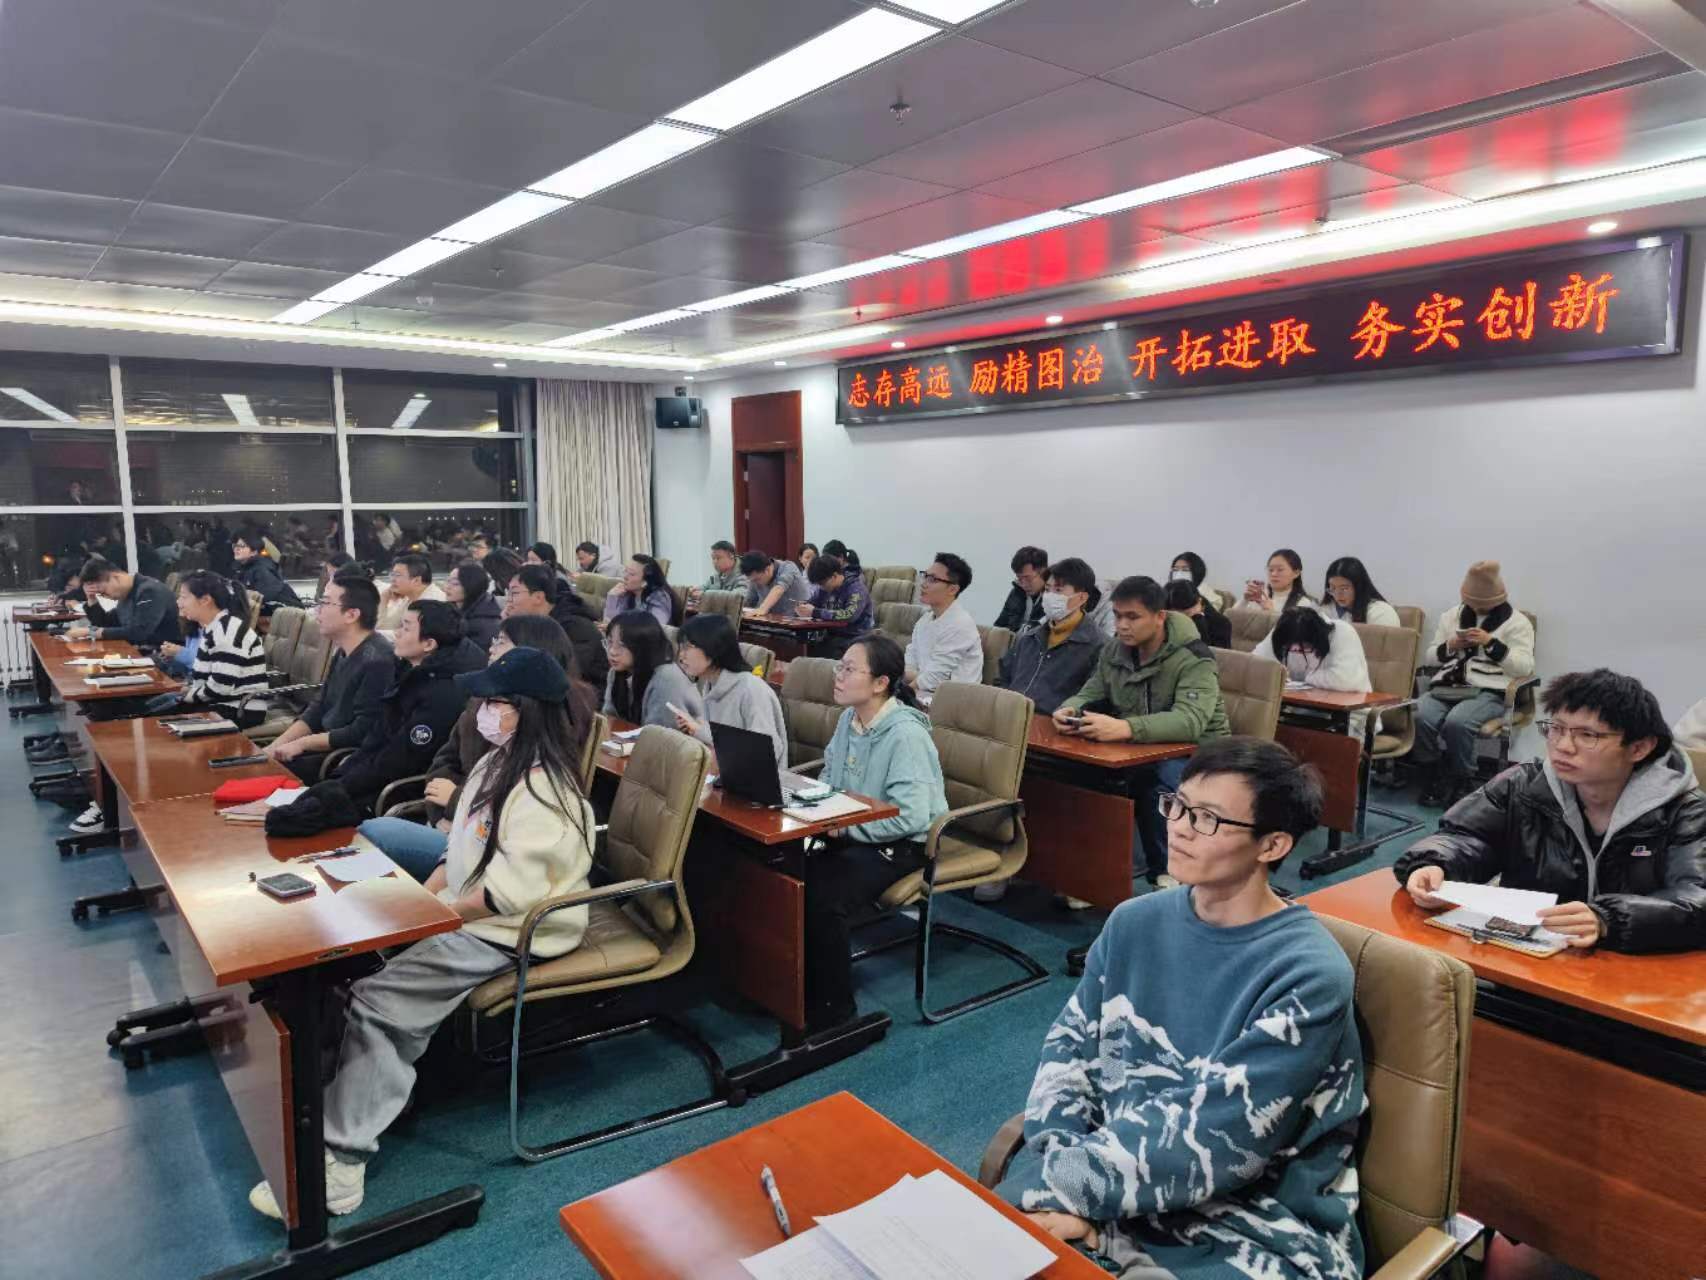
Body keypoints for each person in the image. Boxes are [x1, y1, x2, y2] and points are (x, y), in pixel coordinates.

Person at [247, 646, 596, 1222]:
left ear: (527, 710)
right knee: (357, 956)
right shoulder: (495, 765)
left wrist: (433, 917)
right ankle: (339, 1092)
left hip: (517, 931)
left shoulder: (544, 793)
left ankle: (341, 1162)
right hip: (476, 911)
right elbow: (459, 856)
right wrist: (420, 904)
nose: (481, 712)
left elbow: (504, 895)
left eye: (494, 703)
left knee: (382, 1000)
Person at [997, 737, 1365, 1280]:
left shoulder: (1309, 973)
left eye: (1208, 819)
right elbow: (1069, 1054)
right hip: (1108, 1183)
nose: (1180, 828)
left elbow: (1221, 1141)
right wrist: (1061, 1171)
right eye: (1177, 805)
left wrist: (1055, 1190)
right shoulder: (1134, 921)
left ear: (1272, 845)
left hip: (1246, 1222)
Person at [1396, 669, 1706, 953]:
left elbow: (1696, 897)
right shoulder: (1524, 784)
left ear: (1639, 748)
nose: (1563, 746)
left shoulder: (1685, 811)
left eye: (1587, 735)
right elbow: (1466, 837)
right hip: (1530, 961)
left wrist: (1608, 919)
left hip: (1633, 969)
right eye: (1556, 728)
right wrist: (1435, 863)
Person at [361, 615, 596, 874]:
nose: (491, 648)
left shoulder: (551, 721)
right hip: (458, 825)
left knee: (376, 834)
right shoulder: (485, 705)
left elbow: (512, 806)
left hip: (491, 842)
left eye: (502, 642)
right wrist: (446, 816)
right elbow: (445, 760)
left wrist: (456, 801)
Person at [802, 634, 949, 1029]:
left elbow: (911, 818)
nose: (838, 675)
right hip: (854, 831)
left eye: (850, 669)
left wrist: (846, 829)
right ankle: (791, 985)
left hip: (904, 845)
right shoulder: (849, 720)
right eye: (840, 666)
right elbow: (830, 777)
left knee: (823, 895)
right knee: (786, 874)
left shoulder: (905, 735)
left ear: (881, 683)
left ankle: (835, 1012)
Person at [1055, 576, 1230, 885]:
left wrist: (1125, 727)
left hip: (1199, 754)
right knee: (1074, 774)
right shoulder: (1115, 649)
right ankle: (1092, 873)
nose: (1122, 625)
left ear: (1159, 616)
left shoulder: (1195, 658)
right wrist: (1070, 709)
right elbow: (1092, 690)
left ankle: (1167, 872)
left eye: (1133, 617)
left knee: (1156, 783)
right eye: (1118, 615)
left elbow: (1189, 722)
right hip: (1137, 747)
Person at [327, 599, 484, 815]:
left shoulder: (443, 694)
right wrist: (343, 775)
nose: (397, 633)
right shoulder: (406, 670)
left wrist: (343, 785)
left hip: (394, 792)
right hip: (370, 775)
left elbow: (400, 760)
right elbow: (378, 736)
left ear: (429, 644)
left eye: (406, 628)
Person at [1412, 560, 1536, 807]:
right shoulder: (1452, 616)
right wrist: (1450, 646)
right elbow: (1430, 658)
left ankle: (1463, 779)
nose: (1478, 609)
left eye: (1484, 605)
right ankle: (1433, 773)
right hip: (1448, 686)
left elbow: (1524, 667)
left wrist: (1491, 643)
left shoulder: (1518, 623)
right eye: (1472, 603)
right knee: (1418, 714)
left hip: (1490, 690)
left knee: (1458, 723)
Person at [263, 577, 395, 785]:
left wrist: (303, 743)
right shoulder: (343, 651)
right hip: (323, 744)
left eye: (325, 603)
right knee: (260, 762)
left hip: (342, 758)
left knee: (264, 777)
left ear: (352, 615)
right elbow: (319, 707)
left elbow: (362, 731)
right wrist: (275, 746)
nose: (317, 610)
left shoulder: (378, 661)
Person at [672, 613, 788, 771]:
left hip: (753, 780)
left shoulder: (751, 689)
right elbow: (721, 741)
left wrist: (700, 731)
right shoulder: (710, 684)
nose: (681, 656)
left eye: (687, 647)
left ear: (712, 648)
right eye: (680, 647)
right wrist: (695, 728)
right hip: (722, 772)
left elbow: (764, 752)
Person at [995, 557, 1103, 716]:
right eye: (1047, 589)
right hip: (1010, 718)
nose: (1050, 596)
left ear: (1081, 598)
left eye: (1058, 590)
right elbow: (1003, 677)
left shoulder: (1099, 646)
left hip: (1054, 725)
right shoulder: (1029, 637)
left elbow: (1094, 701)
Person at [504, 563, 607, 688]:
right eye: (508, 593)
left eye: (514, 593)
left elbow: (560, 673)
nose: (508, 600)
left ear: (538, 597)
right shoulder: (535, 623)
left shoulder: (574, 627)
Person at [904, 553, 983, 705]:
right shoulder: (925, 620)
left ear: (952, 589)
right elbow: (910, 658)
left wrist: (902, 694)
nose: (924, 584)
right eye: (925, 576)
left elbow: (935, 677)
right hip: (924, 693)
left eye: (932, 579)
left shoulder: (960, 624)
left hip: (953, 703)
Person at [604, 610, 703, 730]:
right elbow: (610, 718)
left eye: (622, 645)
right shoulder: (617, 672)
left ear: (643, 646)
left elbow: (659, 734)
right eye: (610, 642)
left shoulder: (666, 679)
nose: (612, 651)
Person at [66, 556, 178, 648]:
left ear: (115, 577)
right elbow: (107, 624)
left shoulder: (149, 591)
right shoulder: (127, 594)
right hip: (140, 651)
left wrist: (91, 632)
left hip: (161, 654)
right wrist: (92, 599)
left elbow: (139, 632)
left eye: (104, 592)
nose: (106, 597)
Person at [797, 553, 872, 658]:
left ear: (834, 576)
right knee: (804, 645)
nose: (821, 587)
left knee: (827, 651)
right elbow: (812, 603)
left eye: (822, 583)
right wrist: (803, 607)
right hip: (832, 635)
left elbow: (849, 615)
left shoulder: (856, 588)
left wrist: (815, 612)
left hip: (854, 637)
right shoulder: (824, 589)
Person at [232, 529, 303, 615]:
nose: (236, 549)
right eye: (235, 545)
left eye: (242, 546)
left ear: (254, 552)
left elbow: (264, 598)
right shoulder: (242, 569)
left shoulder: (261, 569)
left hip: (288, 613)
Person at [1320, 556, 1401, 628]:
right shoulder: (1326, 609)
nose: (1337, 595)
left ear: (1359, 587)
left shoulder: (1381, 612)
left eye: (1344, 589)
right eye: (1333, 588)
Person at [375, 553, 445, 632]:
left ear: (416, 580)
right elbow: (384, 628)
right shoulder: (410, 596)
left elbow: (411, 636)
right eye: (392, 574)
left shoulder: (433, 603)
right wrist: (384, 598)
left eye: (397, 575)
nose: (392, 579)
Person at [600, 554, 674, 628]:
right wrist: (612, 597)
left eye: (631, 574)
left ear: (645, 582)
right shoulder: (625, 593)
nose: (625, 576)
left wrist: (616, 628)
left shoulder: (659, 598)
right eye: (625, 571)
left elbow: (653, 629)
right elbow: (609, 623)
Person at [1236, 547, 1313, 614]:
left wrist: (1272, 613)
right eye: (1270, 570)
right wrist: (1245, 599)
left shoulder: (1303, 603)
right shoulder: (1259, 596)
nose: (1273, 574)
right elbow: (1231, 621)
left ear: (1296, 573)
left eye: (1280, 570)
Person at [740, 549, 813, 617]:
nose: (754, 583)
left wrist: (762, 608)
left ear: (767, 570)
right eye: (752, 581)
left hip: (799, 621)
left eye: (757, 579)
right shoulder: (755, 578)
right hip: (772, 621)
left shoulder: (788, 568)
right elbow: (749, 600)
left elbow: (778, 589)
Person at [445, 562, 500, 649]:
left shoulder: (484, 622)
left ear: (471, 585)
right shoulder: (452, 610)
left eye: (455, 583)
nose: (448, 587)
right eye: (448, 581)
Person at [994, 545, 1049, 633]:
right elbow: (999, 627)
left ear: (1043, 572)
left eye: (1028, 578)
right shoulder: (1016, 592)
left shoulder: (1054, 599)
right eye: (1019, 579)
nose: (1023, 584)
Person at [1163, 579, 1230, 649]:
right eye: (1177, 616)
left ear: (1199, 602)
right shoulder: (1162, 617)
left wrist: (1200, 624)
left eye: (1187, 614)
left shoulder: (1221, 624)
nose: (1182, 621)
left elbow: (1219, 654)